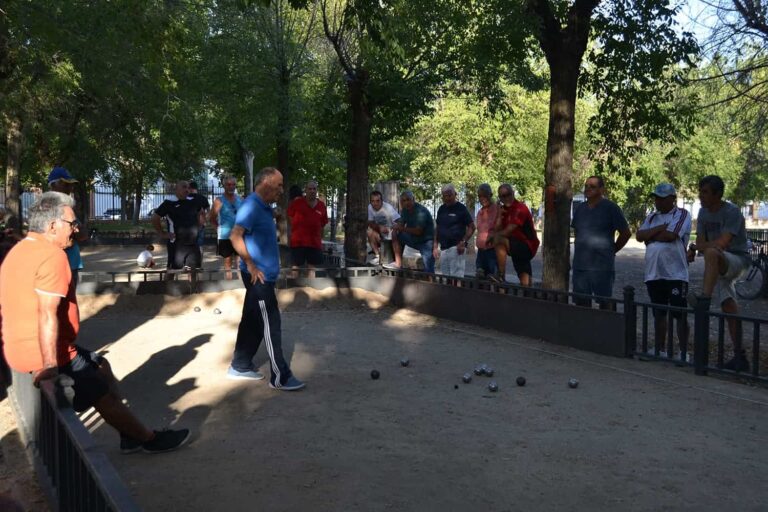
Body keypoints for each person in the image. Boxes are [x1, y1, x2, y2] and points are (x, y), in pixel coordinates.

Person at [0, 192, 190, 453]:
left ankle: (123, 428)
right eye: (72, 224)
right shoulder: (52, 256)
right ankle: (146, 438)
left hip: (20, 346)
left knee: (101, 365)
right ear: (53, 225)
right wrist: (49, 367)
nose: (75, 229)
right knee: (102, 391)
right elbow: (47, 314)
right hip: (48, 353)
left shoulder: (20, 249)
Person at [227, 168, 306, 390]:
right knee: (271, 322)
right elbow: (235, 236)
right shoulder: (251, 205)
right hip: (257, 275)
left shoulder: (262, 206)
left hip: (263, 274)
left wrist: (274, 216)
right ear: (266, 183)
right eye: (279, 185)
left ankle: (240, 365)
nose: (282, 190)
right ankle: (280, 376)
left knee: (252, 320)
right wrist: (251, 265)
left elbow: (258, 226)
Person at [687, 175, 752, 371]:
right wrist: (695, 248)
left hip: (736, 259)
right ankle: (740, 356)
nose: (701, 195)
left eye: (705, 192)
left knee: (712, 252)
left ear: (718, 194)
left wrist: (697, 247)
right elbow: (700, 241)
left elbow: (722, 243)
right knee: (729, 306)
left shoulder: (731, 212)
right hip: (717, 263)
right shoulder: (703, 213)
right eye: (700, 191)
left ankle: (704, 300)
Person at [636, 184, 691, 359]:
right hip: (654, 273)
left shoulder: (681, 214)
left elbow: (671, 236)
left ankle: (683, 352)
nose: (657, 201)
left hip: (675, 273)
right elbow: (639, 235)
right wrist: (659, 229)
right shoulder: (652, 217)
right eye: (656, 197)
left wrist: (650, 236)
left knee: (679, 313)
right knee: (658, 312)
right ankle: (660, 348)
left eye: (661, 198)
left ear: (672, 199)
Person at [571, 176, 631, 307]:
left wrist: (612, 250)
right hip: (580, 267)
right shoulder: (580, 209)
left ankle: (605, 328)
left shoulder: (611, 208)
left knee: (605, 304)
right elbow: (577, 232)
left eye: (592, 186)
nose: (588, 189)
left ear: (602, 189)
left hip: (602, 267)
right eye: (586, 186)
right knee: (581, 304)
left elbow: (626, 233)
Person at [488, 184, 539, 286]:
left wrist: (494, 237)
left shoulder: (520, 208)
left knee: (498, 239)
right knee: (524, 279)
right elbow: (496, 229)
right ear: (499, 198)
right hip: (514, 244)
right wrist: (498, 215)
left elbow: (507, 231)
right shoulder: (503, 210)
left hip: (526, 245)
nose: (506, 198)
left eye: (508, 194)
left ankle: (501, 275)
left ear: (513, 194)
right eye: (502, 196)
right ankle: (503, 278)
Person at [151, 181, 206, 271]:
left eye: (188, 188)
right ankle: (166, 285)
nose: (187, 190)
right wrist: (162, 233)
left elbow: (201, 212)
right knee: (172, 271)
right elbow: (155, 218)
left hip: (193, 244)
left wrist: (200, 226)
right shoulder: (169, 203)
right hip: (176, 244)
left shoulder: (193, 201)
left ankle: (192, 286)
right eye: (184, 187)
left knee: (193, 271)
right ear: (176, 189)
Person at [48, 167, 89, 286]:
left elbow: (83, 235)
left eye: (71, 185)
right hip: (55, 264)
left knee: (69, 301)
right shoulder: (45, 208)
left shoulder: (69, 207)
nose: (70, 188)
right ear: (54, 185)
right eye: (65, 185)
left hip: (72, 262)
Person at [384, 191, 436, 273]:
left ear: (413, 199)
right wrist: (394, 229)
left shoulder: (421, 211)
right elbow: (401, 224)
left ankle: (432, 282)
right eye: (403, 201)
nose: (406, 202)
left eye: (408, 200)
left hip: (426, 242)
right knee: (396, 234)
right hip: (413, 239)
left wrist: (400, 228)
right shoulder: (405, 210)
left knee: (429, 268)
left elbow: (418, 231)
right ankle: (398, 264)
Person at [433, 184, 475, 277]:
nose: (447, 198)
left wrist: (463, 242)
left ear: (455, 194)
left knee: (457, 279)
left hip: (456, 249)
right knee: (445, 278)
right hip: (443, 249)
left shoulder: (461, 208)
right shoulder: (441, 209)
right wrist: (435, 246)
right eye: (445, 196)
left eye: (449, 195)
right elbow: (437, 227)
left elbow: (472, 227)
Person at [286, 180, 328, 268]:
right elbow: (289, 217)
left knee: (312, 271)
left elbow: (322, 225)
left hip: (314, 244)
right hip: (298, 243)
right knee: (295, 270)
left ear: (316, 190)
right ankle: (293, 282)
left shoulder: (321, 206)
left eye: (314, 189)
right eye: (310, 189)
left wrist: (321, 241)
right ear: (305, 190)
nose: (312, 191)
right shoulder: (297, 203)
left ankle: (309, 283)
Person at [209, 175, 244, 279]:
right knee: (227, 262)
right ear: (224, 186)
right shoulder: (219, 201)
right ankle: (228, 283)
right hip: (225, 236)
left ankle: (240, 283)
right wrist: (218, 230)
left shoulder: (240, 199)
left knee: (240, 261)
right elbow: (212, 218)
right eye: (229, 184)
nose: (231, 187)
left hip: (238, 236)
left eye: (233, 184)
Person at [367, 190, 400, 265]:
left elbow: (399, 221)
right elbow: (370, 222)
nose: (375, 203)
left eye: (377, 201)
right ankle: (377, 256)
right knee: (369, 232)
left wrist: (390, 229)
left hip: (392, 236)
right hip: (380, 235)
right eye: (373, 201)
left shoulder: (388, 208)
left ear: (382, 201)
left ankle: (395, 259)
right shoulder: (369, 207)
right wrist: (379, 227)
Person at [474, 184, 499, 279]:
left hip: (492, 251)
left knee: (492, 278)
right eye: (480, 196)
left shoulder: (497, 209)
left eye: (485, 195)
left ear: (491, 195)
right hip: (481, 251)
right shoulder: (480, 212)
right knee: (480, 278)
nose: (482, 198)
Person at [188, 181, 210, 256]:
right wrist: (205, 220)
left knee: (189, 244)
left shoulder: (186, 198)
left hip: (189, 224)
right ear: (197, 188)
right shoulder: (203, 198)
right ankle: (199, 264)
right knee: (200, 245)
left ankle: (190, 264)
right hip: (201, 224)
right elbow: (208, 211)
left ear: (190, 188)